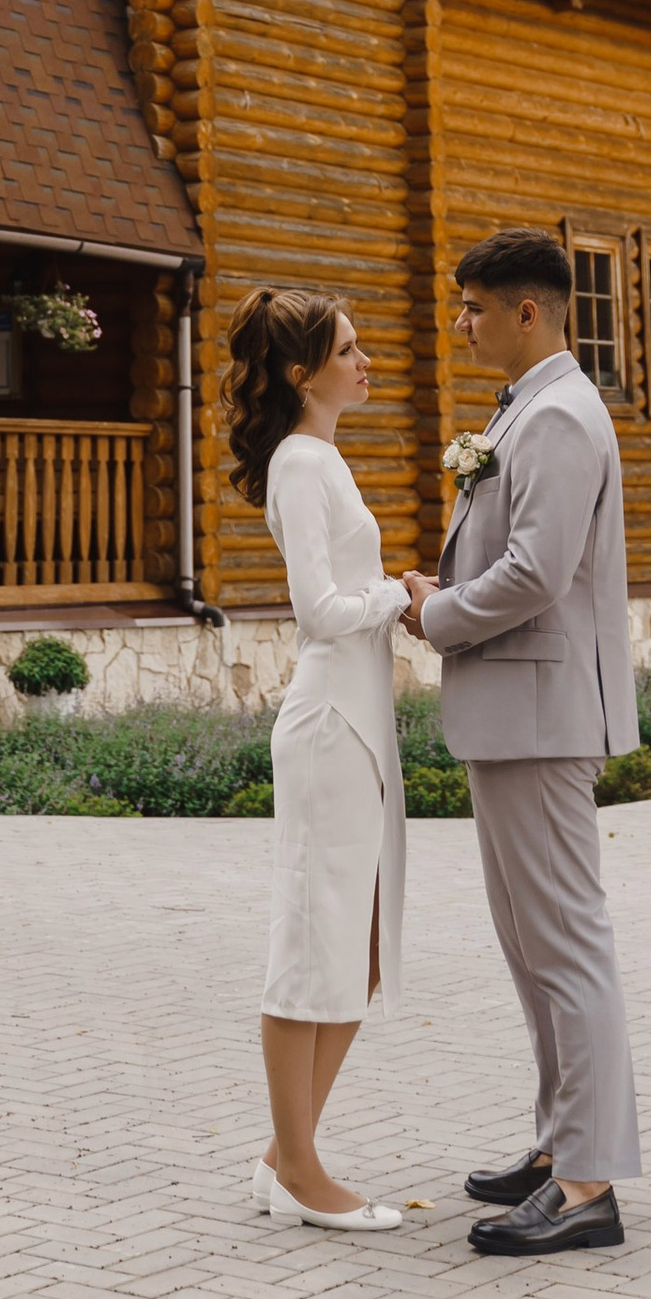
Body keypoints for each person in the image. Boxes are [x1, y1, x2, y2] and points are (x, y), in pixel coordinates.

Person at [404, 225, 641, 1256]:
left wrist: (436, 612)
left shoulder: (555, 418)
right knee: (529, 947)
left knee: (566, 946)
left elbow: (539, 573)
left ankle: (587, 1183)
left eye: (472, 308)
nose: (460, 325)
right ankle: (556, 1145)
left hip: (541, 715)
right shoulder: (530, 409)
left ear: (527, 313)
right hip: (513, 712)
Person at [226, 285, 407, 1235]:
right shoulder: (303, 463)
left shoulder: (322, 458)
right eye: (348, 349)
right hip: (329, 724)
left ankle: (279, 1154)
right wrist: (399, 593)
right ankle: (301, 1169)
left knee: (358, 951)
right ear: (303, 374)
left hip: (359, 724)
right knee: (311, 946)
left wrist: (387, 591)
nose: (365, 360)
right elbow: (319, 610)